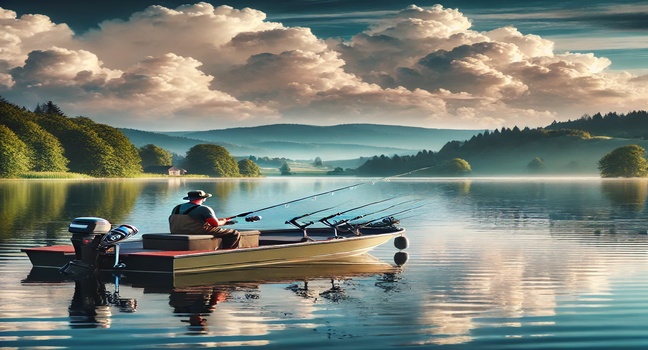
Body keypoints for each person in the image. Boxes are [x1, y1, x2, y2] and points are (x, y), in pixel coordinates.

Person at [169, 190, 240, 249]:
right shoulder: (204, 209)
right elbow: (215, 224)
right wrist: (224, 221)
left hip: (175, 231)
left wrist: (221, 220)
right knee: (233, 233)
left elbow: (190, 221)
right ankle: (227, 252)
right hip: (195, 231)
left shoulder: (177, 207)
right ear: (203, 198)